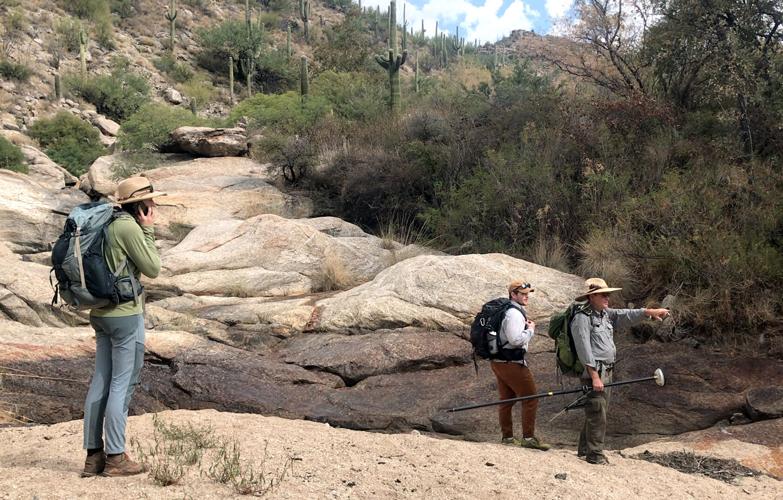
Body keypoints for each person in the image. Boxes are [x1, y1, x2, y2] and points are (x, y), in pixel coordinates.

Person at [81, 176, 165, 477]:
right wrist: (149, 229)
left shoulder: (104, 221)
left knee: (100, 381)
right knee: (121, 385)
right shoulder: (128, 226)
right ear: (139, 205)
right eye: (151, 201)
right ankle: (116, 457)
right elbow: (152, 268)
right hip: (125, 315)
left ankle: (93, 457)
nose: (154, 205)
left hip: (100, 313)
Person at [571, 278, 669, 465]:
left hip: (606, 371)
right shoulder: (582, 318)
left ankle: (585, 450)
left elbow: (624, 315)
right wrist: (594, 377)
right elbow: (584, 349)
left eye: (608, 294)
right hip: (595, 372)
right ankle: (595, 455)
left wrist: (648, 312)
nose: (608, 297)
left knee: (597, 410)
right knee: (598, 411)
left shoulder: (604, 314)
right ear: (591, 297)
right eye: (603, 294)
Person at [490, 280, 551, 451]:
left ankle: (508, 437)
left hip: (499, 361)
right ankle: (528, 438)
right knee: (531, 399)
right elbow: (515, 339)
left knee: (506, 400)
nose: (526, 297)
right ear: (513, 295)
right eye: (522, 294)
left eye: (527, 294)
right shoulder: (513, 314)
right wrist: (530, 330)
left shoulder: (507, 310)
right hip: (512, 363)